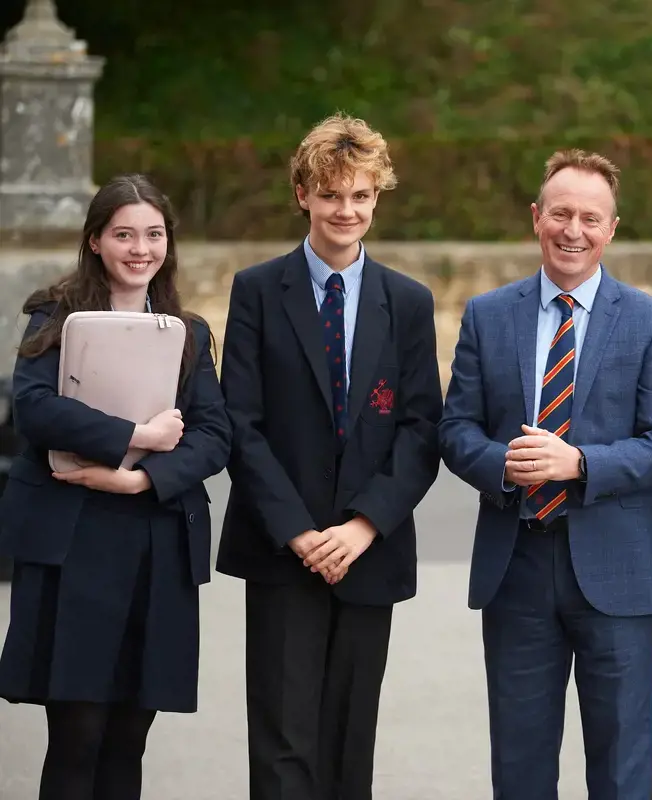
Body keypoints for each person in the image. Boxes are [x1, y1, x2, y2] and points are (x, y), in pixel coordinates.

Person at [438, 149, 652, 799]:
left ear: (610, 228)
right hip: (515, 566)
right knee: (519, 766)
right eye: (559, 213)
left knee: (621, 765)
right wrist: (505, 465)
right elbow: (455, 429)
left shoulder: (650, 320)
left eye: (588, 217)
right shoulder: (487, 314)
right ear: (535, 218)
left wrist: (579, 463)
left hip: (618, 573)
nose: (571, 230)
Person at [215, 112, 443, 800]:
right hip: (283, 547)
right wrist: (298, 530)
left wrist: (362, 526)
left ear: (377, 198)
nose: (346, 210)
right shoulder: (257, 290)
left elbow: (420, 427)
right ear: (303, 195)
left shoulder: (407, 302)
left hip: (366, 547)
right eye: (331, 194)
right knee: (284, 744)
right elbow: (240, 423)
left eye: (360, 196)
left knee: (350, 740)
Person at [0, 174, 231, 800]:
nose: (140, 249)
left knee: (131, 737)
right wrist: (139, 433)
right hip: (71, 546)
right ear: (96, 241)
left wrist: (141, 478)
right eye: (123, 234)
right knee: (77, 734)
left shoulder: (188, 330)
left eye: (153, 235)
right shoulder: (54, 313)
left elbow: (215, 435)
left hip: (155, 544)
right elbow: (35, 409)